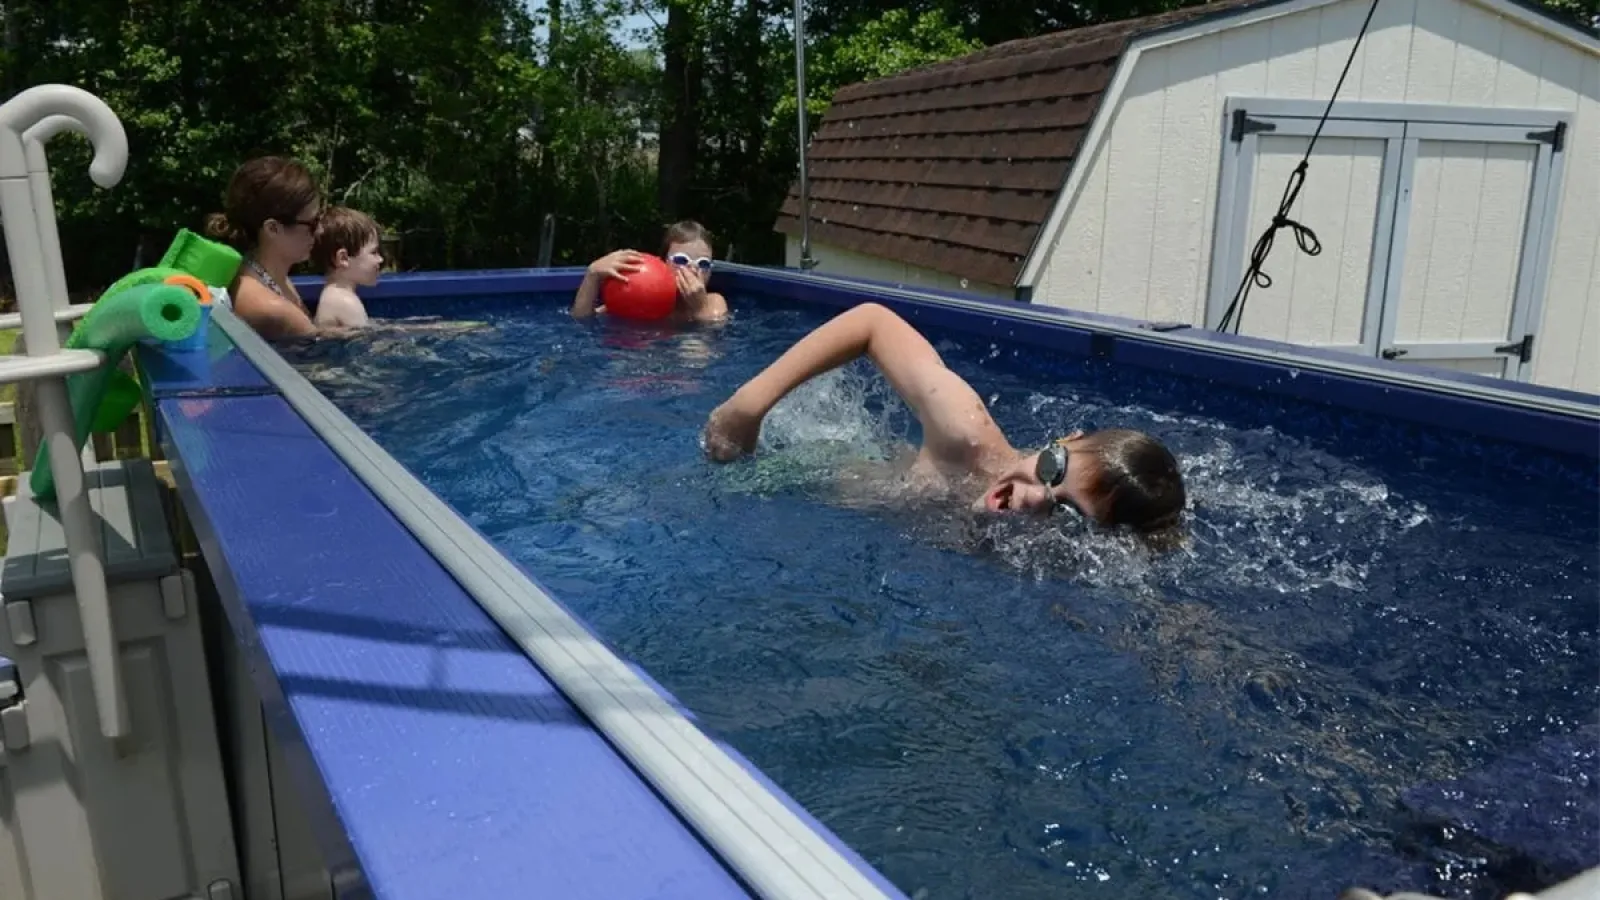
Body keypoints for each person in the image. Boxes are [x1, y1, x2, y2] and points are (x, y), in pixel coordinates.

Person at [701, 302, 1187, 538]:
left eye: (1066, 513)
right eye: (1053, 470)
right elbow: (872, 322)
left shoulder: (1050, 560)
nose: (1034, 497)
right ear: (1064, 439)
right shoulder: (966, 437)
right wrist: (747, 407)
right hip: (798, 477)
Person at [204, 156, 323, 342]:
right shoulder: (275, 310)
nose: (320, 230)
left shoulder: (264, 277)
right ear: (273, 229)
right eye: (312, 223)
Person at [571, 220, 728, 323]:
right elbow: (583, 320)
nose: (693, 269)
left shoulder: (714, 302)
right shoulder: (642, 296)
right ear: (662, 263)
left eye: (704, 263)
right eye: (681, 260)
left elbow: (710, 339)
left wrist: (699, 308)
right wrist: (592, 274)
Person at [309, 205, 382, 330]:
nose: (380, 259)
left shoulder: (334, 295)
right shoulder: (345, 302)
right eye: (374, 252)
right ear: (343, 258)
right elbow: (365, 345)